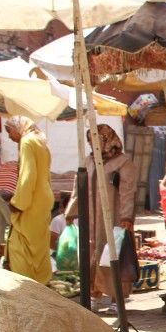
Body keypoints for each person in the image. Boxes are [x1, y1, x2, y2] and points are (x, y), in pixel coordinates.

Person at [65, 124, 139, 310]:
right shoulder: (88, 162)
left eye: (97, 140)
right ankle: (94, 294)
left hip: (113, 219)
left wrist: (126, 218)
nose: (93, 145)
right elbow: (78, 189)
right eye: (91, 141)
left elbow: (128, 192)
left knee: (113, 256)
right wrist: (71, 212)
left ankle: (117, 298)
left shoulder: (123, 163)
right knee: (91, 257)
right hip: (90, 220)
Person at [4, 117, 54, 285]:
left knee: (20, 246)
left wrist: (17, 203)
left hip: (31, 202)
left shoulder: (27, 142)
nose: (9, 136)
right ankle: (41, 284)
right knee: (39, 249)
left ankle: (26, 286)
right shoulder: (40, 141)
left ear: (18, 127)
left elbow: (28, 176)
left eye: (9, 130)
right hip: (43, 200)